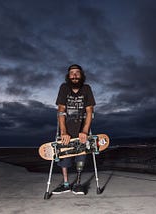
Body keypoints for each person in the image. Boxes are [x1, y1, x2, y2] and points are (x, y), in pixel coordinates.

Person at [52, 64, 96, 195]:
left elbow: (89, 111)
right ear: (68, 75)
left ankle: (77, 184)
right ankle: (65, 185)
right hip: (67, 128)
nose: (74, 75)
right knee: (64, 156)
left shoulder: (87, 88)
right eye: (72, 73)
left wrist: (85, 131)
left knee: (81, 156)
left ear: (81, 75)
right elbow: (61, 111)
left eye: (77, 72)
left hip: (81, 128)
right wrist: (63, 132)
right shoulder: (64, 88)